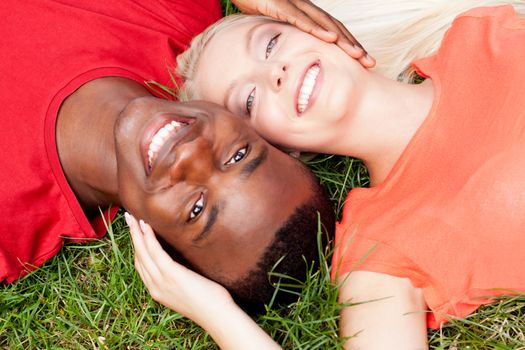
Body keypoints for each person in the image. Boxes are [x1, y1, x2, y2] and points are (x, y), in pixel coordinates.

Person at [128, 3, 525, 349]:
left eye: (270, 45)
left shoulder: (482, 32)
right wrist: (218, 315)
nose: (275, 73)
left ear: (323, 27)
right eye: (248, 101)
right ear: (277, 150)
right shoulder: (377, 252)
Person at [0, 0, 359, 307]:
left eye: (197, 209)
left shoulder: (10, 223)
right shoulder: (176, 18)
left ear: (159, 248)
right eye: (237, 156)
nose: (190, 156)